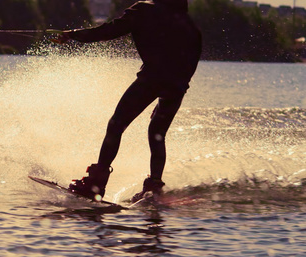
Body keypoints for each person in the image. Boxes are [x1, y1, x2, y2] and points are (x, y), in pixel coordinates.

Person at [55, 0, 202, 202]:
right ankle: (154, 189)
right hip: (177, 85)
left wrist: (73, 35)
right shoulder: (190, 26)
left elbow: (109, 31)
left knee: (117, 124)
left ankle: (95, 184)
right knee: (157, 133)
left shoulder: (145, 9)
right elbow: (191, 63)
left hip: (152, 79)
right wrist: (169, 95)